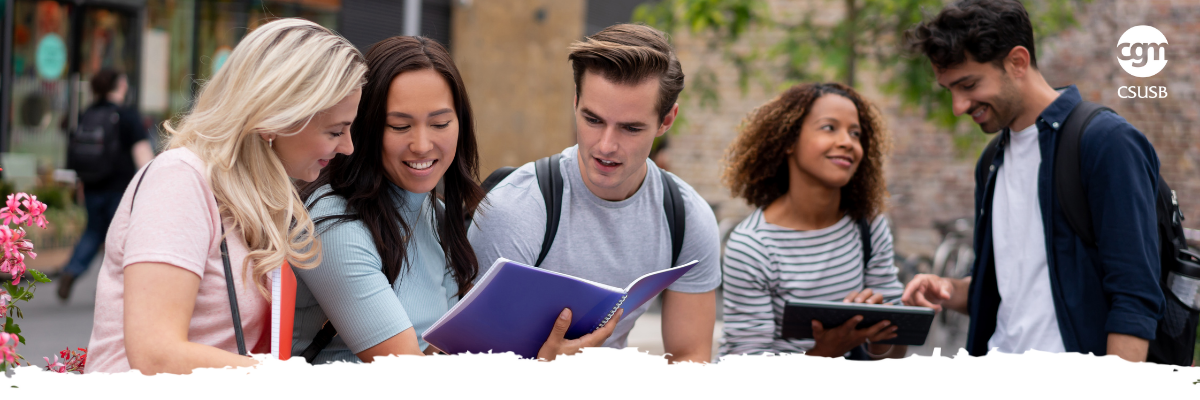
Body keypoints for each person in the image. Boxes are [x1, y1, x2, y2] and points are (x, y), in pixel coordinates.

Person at [293, 36, 621, 363]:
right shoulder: (334, 225)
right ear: (364, 129)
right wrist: (537, 367)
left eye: (440, 123)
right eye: (399, 126)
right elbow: (406, 375)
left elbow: (442, 352)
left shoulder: (437, 215)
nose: (422, 144)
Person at [84, 18, 366, 374]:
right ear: (275, 118)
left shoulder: (254, 197)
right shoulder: (180, 180)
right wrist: (286, 383)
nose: (348, 146)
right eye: (335, 130)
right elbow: (155, 353)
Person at [901, 0, 1162, 362]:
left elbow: (1134, 296)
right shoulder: (991, 161)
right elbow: (1006, 288)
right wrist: (950, 288)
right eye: (950, 91)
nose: (958, 107)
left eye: (968, 84)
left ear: (1018, 62)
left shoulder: (1105, 142)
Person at [468, 23, 721, 363]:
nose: (606, 146)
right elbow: (470, 364)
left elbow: (691, 356)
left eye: (631, 128)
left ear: (666, 120)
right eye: (593, 119)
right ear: (575, 103)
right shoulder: (515, 208)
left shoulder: (687, 217)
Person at [718, 83, 906, 359]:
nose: (847, 142)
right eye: (829, 128)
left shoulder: (868, 225)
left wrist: (880, 336)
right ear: (789, 140)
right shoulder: (753, 246)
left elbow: (895, 354)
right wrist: (823, 354)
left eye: (855, 133)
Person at [56, 68, 154, 301]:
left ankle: (71, 270)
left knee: (93, 231)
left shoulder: (86, 113)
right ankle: (110, 286)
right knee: (118, 238)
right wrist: (152, 181)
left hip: (92, 186)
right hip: (121, 188)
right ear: (120, 86)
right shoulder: (126, 115)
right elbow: (142, 154)